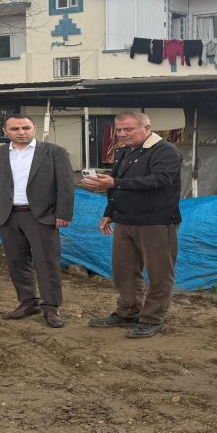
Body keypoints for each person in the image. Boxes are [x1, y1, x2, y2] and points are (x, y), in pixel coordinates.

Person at [82, 111, 182, 338]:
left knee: (159, 274)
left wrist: (114, 182)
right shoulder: (125, 151)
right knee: (124, 271)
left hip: (156, 222)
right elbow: (117, 187)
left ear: (147, 128)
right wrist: (109, 212)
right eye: (119, 130)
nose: (123, 134)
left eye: (129, 129)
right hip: (125, 220)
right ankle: (127, 311)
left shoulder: (165, 151)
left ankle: (152, 319)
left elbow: (160, 179)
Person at [0, 114, 76, 328]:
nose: (21, 132)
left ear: (34, 128)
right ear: (5, 132)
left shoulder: (54, 152)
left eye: (25, 127)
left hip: (41, 216)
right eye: (15, 129)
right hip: (8, 216)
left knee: (46, 262)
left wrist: (63, 214)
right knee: (16, 261)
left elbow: (66, 186)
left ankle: (51, 307)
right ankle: (27, 302)